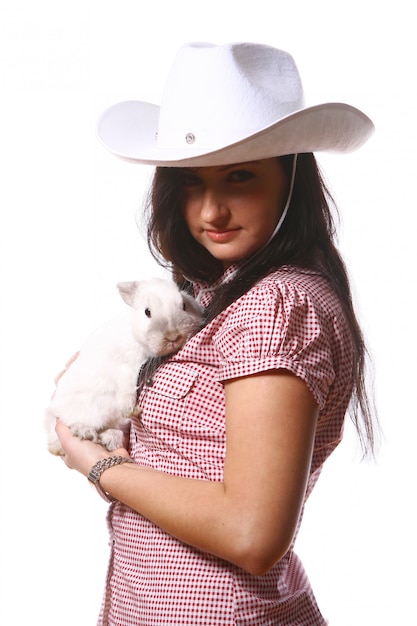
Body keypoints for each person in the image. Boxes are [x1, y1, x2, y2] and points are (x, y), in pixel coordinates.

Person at [55, 42, 379, 625]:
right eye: (190, 183)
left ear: (291, 178)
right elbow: (188, 454)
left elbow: (252, 533)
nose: (211, 212)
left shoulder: (275, 307)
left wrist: (97, 464)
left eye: (239, 177)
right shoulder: (217, 295)